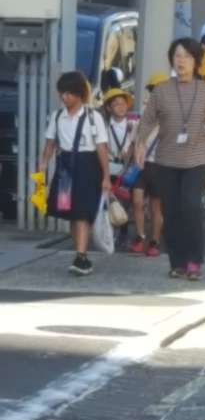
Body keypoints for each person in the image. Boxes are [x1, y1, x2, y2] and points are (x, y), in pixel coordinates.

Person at [135, 38, 205, 282]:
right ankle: (177, 262)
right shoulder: (162, 90)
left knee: (191, 207)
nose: (181, 61)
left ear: (196, 61)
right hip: (166, 160)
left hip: (196, 160)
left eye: (186, 56)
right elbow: (147, 120)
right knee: (171, 212)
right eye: (177, 56)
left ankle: (194, 261)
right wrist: (140, 143)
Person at [39, 71, 111, 276]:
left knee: (82, 212)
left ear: (80, 94)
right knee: (70, 213)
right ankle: (81, 256)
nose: (64, 97)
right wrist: (42, 166)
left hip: (88, 166)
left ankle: (81, 256)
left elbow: (102, 148)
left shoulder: (93, 117)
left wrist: (106, 177)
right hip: (65, 168)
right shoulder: (57, 116)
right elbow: (50, 144)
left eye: (69, 93)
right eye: (62, 92)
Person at [130, 73, 168, 256]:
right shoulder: (143, 113)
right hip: (141, 165)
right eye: (153, 90)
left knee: (155, 207)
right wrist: (129, 153)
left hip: (159, 166)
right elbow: (134, 139)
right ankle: (140, 237)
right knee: (136, 201)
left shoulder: (172, 116)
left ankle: (154, 241)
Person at [103, 87, 137, 250]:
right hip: (109, 168)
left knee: (125, 201)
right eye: (116, 104)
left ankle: (123, 233)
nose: (121, 107)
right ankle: (110, 233)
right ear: (109, 108)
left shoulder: (134, 124)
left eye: (123, 103)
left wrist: (130, 156)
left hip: (128, 169)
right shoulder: (104, 126)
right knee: (110, 201)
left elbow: (139, 144)